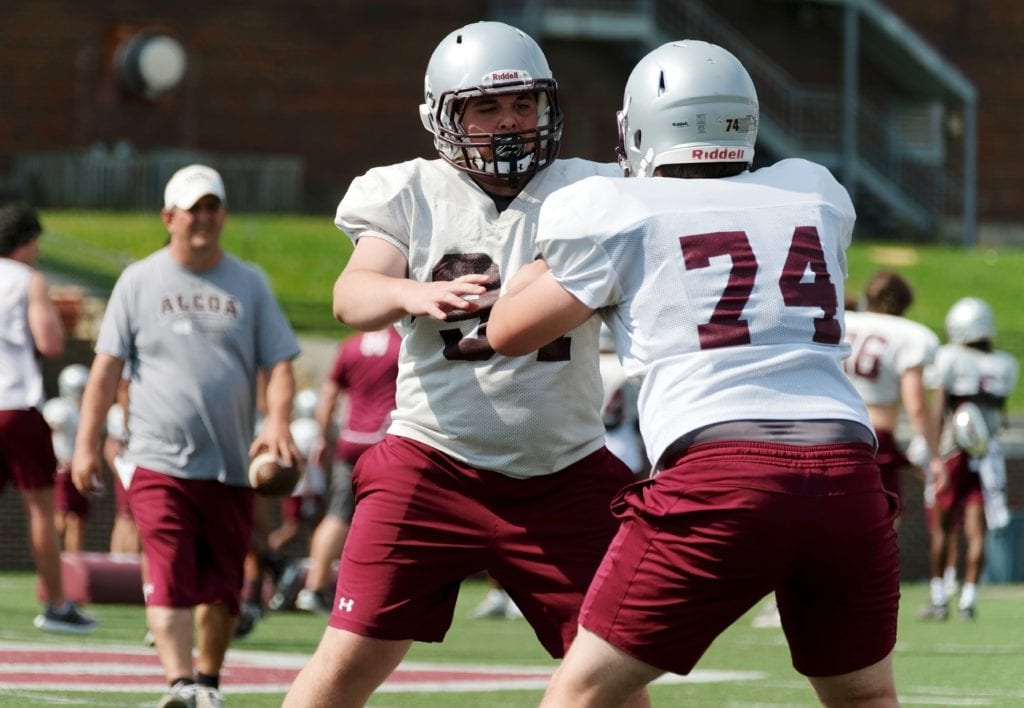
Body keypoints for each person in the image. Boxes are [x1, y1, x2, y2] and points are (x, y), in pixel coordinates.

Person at [488, 40, 900, 706]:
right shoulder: (815, 192)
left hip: (722, 474)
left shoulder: (613, 209)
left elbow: (509, 332)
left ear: (643, 127)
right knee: (864, 697)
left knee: (581, 694)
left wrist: (548, 258)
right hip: (848, 472)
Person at [283, 22, 645, 708]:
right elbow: (351, 295)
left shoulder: (593, 189)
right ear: (443, 116)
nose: (510, 122)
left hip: (564, 473)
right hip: (433, 465)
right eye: (486, 107)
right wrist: (409, 291)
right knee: (342, 666)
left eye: (523, 104)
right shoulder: (409, 192)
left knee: (614, 684)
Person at [70, 164, 302, 708]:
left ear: (223, 214)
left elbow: (282, 365)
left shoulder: (251, 282)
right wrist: (84, 444)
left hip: (228, 463)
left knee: (224, 585)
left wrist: (276, 421)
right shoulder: (139, 280)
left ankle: (209, 683)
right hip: (157, 459)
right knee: (171, 572)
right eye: (192, 208)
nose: (203, 218)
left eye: (212, 207)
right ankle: (179, 683)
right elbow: (105, 371)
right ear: (168, 217)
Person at [0, 202, 98, 635]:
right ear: (29, 240)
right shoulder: (28, 280)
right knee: (40, 509)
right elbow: (50, 341)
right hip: (17, 405)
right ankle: (57, 604)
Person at [918, 296, 1019, 621]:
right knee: (978, 530)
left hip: (953, 453)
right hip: (986, 456)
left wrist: (932, 449)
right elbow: (999, 417)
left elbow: (939, 409)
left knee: (943, 527)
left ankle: (938, 599)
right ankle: (968, 601)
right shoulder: (1005, 364)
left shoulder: (950, 357)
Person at [293, 327, 401, 615]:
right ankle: (375, 590)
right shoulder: (401, 343)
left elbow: (329, 395)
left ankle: (314, 587)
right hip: (387, 440)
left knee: (338, 514)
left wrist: (321, 437)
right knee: (390, 518)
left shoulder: (350, 346)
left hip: (351, 440)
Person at [843, 269, 944, 525]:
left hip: (830, 431)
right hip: (876, 440)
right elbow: (917, 405)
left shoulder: (843, 322)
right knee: (883, 529)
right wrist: (934, 456)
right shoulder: (910, 335)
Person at [44, 363, 92, 551]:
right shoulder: (59, 408)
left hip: (80, 470)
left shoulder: (85, 411)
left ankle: (74, 561)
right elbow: (48, 430)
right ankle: (54, 558)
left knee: (78, 519)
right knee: (62, 516)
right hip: (63, 469)